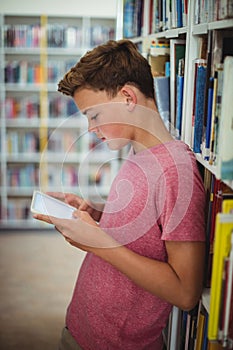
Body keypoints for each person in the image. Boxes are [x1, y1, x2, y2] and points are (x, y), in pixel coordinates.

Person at [34, 39, 206, 350]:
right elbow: (147, 232)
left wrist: (98, 242)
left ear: (127, 97)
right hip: (83, 328)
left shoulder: (176, 172)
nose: (89, 128)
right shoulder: (138, 153)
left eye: (94, 115)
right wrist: (98, 212)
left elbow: (185, 292)